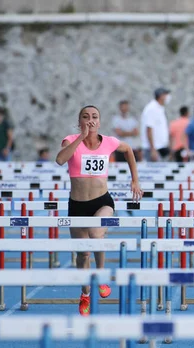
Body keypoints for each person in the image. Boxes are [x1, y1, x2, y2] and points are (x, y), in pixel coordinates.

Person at [56, 105, 143, 316]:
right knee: (82, 254)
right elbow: (60, 160)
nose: (90, 120)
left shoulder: (110, 142)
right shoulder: (70, 140)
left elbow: (129, 150)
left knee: (96, 233)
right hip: (77, 205)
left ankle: (101, 274)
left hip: (102, 201)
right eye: (86, 117)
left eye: (94, 116)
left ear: (100, 121)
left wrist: (135, 180)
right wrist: (81, 138)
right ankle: (85, 293)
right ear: (80, 122)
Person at [140, 87, 171, 162]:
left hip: (160, 147)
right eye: (166, 94)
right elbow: (149, 129)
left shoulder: (159, 108)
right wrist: (153, 149)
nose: (168, 97)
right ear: (160, 96)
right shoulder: (151, 109)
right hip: (152, 149)